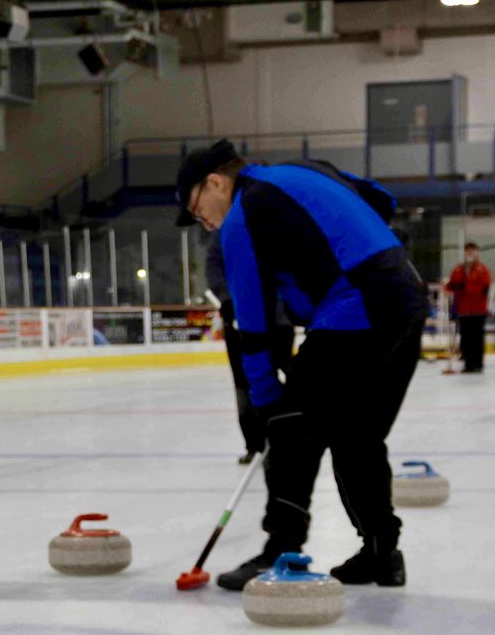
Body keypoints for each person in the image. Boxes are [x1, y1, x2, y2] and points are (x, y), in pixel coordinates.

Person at [176, 140, 427, 590]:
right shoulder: (304, 170)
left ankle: (280, 551)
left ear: (215, 183)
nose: (204, 222)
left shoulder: (243, 216)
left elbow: (252, 320)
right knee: (357, 435)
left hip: (357, 306)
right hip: (406, 294)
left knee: (292, 425)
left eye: (197, 210)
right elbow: (380, 198)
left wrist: (265, 399)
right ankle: (381, 553)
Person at [204, 233, 296, 464]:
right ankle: (255, 444)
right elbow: (214, 268)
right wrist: (227, 300)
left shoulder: (275, 224)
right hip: (241, 322)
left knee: (287, 374)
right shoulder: (224, 232)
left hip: (278, 320)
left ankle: (287, 437)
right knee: (243, 383)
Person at [445, 242, 492, 373]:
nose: (470, 254)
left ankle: (477, 363)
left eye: (472, 251)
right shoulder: (458, 269)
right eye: (468, 251)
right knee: (465, 337)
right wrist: (450, 287)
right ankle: (468, 363)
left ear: (477, 253)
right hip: (463, 310)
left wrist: (464, 287)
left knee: (477, 337)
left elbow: (484, 288)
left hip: (478, 310)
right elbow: (451, 285)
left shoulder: (482, 270)